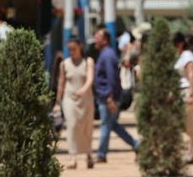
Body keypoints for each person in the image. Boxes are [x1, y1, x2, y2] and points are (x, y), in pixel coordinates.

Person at [92, 28, 139, 162]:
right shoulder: (106, 54)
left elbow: (112, 78)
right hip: (106, 97)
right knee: (112, 125)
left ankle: (101, 154)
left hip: (108, 97)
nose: (95, 39)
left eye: (97, 37)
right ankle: (136, 144)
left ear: (105, 40)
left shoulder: (107, 55)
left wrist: (110, 98)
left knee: (106, 125)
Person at [55, 37, 96, 169]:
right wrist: (57, 101)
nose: (71, 51)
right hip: (69, 98)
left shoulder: (88, 62)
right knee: (72, 126)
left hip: (86, 99)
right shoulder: (64, 64)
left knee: (87, 127)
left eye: (74, 49)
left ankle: (89, 154)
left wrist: (83, 90)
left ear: (80, 48)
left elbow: (90, 79)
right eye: (69, 49)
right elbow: (61, 83)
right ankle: (73, 157)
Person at [172, 32, 193, 164]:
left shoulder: (187, 56)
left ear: (179, 44)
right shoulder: (180, 56)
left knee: (188, 123)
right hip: (181, 91)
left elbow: (191, 74)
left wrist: (191, 93)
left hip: (188, 91)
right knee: (186, 123)